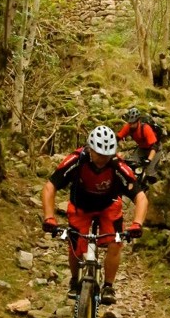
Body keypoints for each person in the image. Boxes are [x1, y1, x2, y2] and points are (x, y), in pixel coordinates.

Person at [42, 125, 148, 305]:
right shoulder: (76, 160)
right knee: (75, 245)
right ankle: (75, 280)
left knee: (116, 243)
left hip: (108, 206)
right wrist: (49, 217)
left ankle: (108, 286)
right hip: (81, 206)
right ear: (90, 148)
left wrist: (137, 223)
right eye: (99, 154)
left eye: (107, 155)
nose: (102, 160)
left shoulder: (117, 165)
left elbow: (140, 197)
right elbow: (50, 187)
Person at [117, 107, 161, 185]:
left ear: (138, 121)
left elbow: (154, 146)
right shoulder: (128, 127)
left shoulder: (145, 128)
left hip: (154, 149)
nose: (131, 125)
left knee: (150, 172)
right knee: (133, 165)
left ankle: (152, 187)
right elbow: (118, 137)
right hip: (142, 148)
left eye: (133, 123)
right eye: (130, 123)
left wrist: (149, 160)